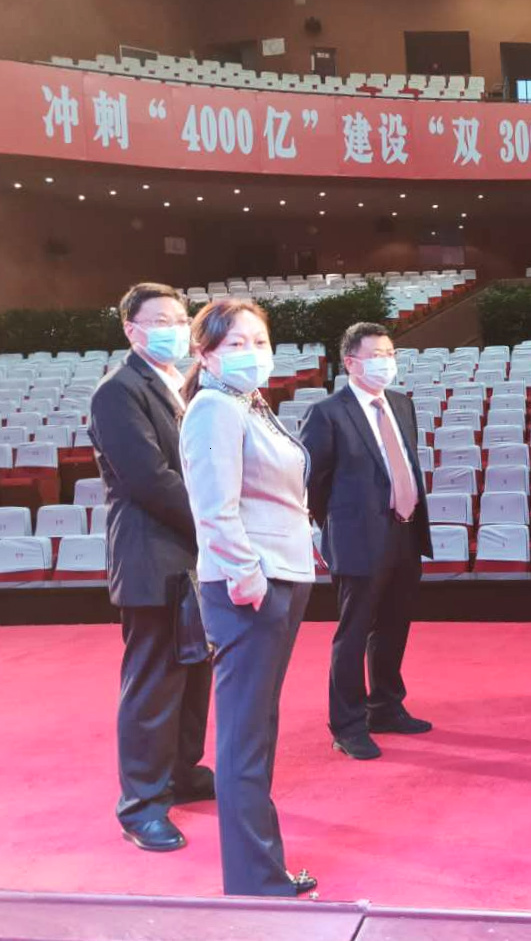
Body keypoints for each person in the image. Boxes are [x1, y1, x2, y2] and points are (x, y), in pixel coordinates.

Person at [179, 299, 318, 896]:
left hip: (279, 577)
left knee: (257, 728)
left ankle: (261, 870)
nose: (253, 353)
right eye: (236, 343)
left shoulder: (248, 404)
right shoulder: (213, 409)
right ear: (205, 353)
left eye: (260, 342)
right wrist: (246, 576)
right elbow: (214, 507)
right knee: (244, 736)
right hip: (250, 589)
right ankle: (255, 879)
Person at [88, 283, 213, 853]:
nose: (173, 328)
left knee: (193, 672)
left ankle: (182, 772)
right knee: (154, 683)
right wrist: (215, 523)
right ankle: (141, 806)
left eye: (179, 318)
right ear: (131, 329)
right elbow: (150, 479)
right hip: (152, 557)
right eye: (159, 319)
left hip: (190, 555)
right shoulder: (118, 391)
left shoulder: (179, 384)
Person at [300, 323, 433, 761]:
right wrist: (339, 527)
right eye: (375, 355)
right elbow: (311, 482)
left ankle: (386, 706)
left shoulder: (401, 404)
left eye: (390, 353)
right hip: (357, 538)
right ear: (350, 363)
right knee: (354, 632)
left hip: (404, 530)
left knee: (394, 625)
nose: (385, 362)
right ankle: (348, 725)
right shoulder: (327, 413)